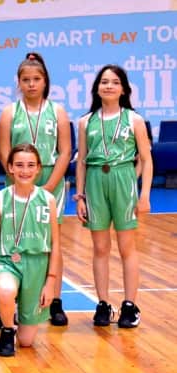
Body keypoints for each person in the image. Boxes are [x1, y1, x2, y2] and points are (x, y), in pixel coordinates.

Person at [75, 65, 152, 328]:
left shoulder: (134, 119)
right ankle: (103, 303)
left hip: (123, 180)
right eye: (104, 81)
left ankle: (129, 305)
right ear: (96, 88)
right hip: (95, 181)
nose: (109, 86)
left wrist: (144, 194)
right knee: (100, 248)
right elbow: (82, 161)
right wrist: (80, 196)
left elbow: (146, 159)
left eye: (115, 82)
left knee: (126, 246)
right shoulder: (86, 122)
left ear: (124, 89)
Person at [0, 52, 71, 326]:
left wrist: (48, 187)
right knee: (15, 237)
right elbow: (4, 150)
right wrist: (19, 178)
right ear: (18, 82)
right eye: (26, 79)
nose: (31, 84)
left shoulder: (57, 111)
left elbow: (65, 151)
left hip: (50, 178)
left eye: (36, 79)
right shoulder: (9, 112)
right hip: (19, 178)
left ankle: (55, 300)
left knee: (51, 240)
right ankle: (13, 304)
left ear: (45, 81)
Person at [0, 144, 60, 357]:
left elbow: (55, 244)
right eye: (19, 165)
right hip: (7, 262)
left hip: (37, 266)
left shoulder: (48, 200)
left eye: (30, 165)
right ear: (10, 167)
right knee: (5, 291)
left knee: (26, 341)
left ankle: (18, 317)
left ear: (38, 168)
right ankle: (7, 329)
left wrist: (51, 283)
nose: (25, 170)